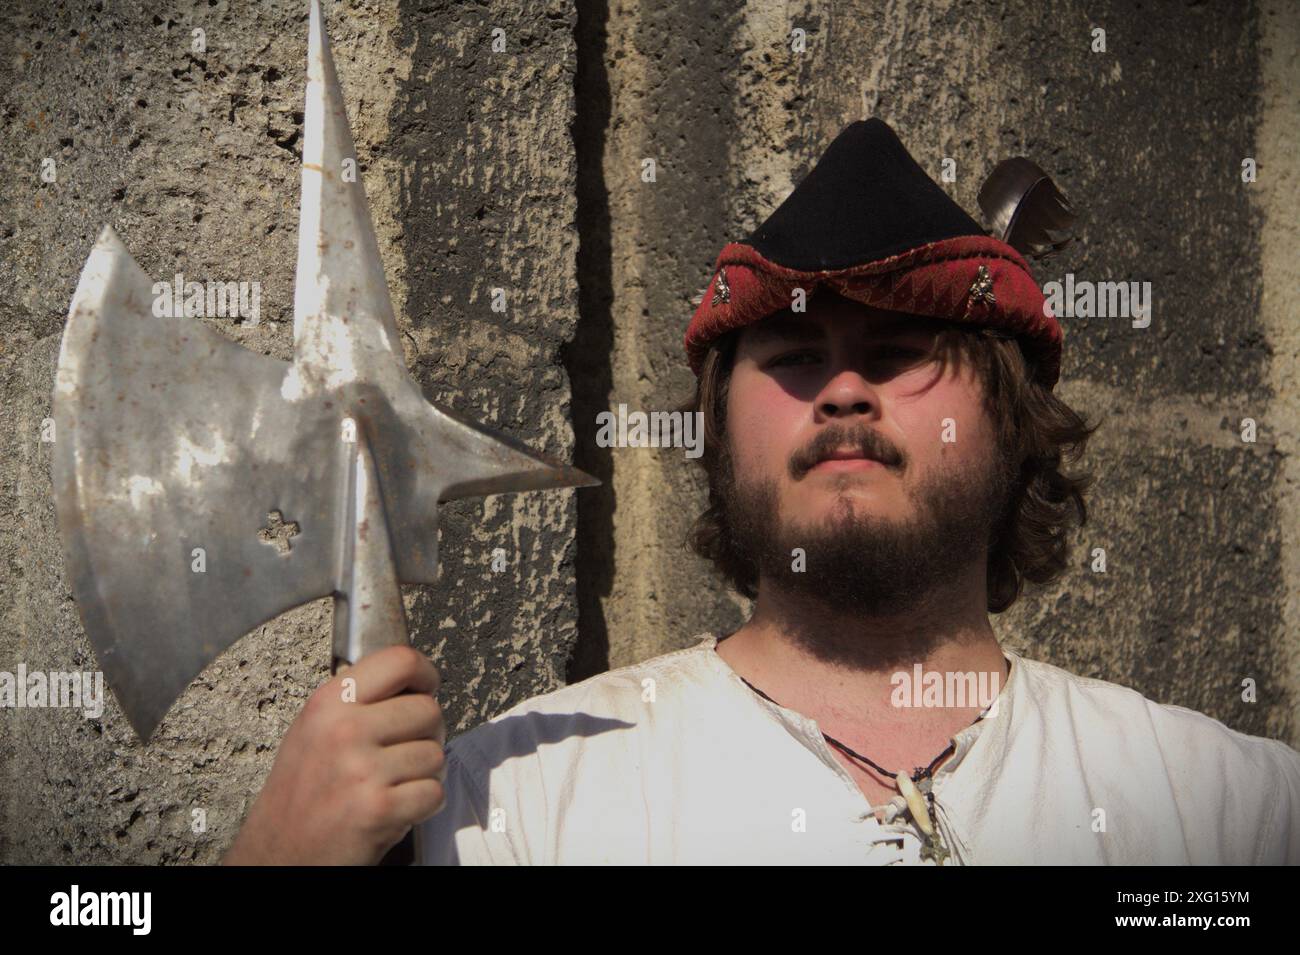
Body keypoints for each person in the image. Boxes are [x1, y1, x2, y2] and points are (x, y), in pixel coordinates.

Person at [222, 119, 1300, 865]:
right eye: (790, 352)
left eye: (897, 348)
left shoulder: (1225, 812)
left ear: (1013, 417)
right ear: (716, 428)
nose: (840, 389)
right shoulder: (504, 810)